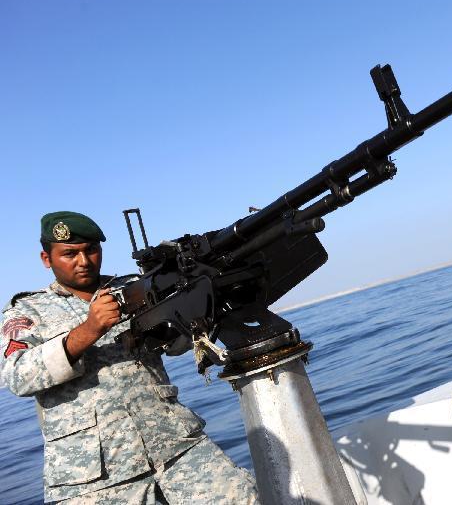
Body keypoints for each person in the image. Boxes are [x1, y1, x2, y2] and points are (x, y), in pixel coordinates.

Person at [1, 211, 259, 504]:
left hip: (174, 445)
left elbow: (176, 344)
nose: (83, 261)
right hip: (93, 477)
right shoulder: (26, 313)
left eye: (91, 250)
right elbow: (17, 376)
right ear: (47, 259)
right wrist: (89, 329)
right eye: (69, 254)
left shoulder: (135, 287)